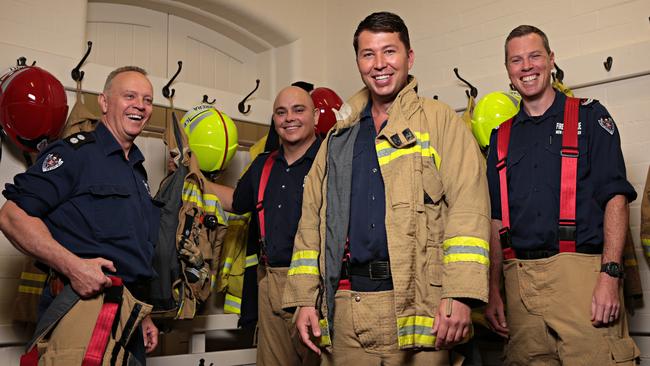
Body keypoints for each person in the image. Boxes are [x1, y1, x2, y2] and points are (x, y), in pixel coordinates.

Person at [282, 11, 490, 365]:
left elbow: (469, 210)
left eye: (389, 52)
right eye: (368, 54)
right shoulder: (337, 138)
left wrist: (459, 295)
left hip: (423, 306)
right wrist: (304, 300)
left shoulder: (440, 122)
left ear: (409, 57)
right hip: (346, 309)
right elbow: (310, 226)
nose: (380, 64)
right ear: (359, 62)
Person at [485, 25, 640, 365]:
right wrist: (494, 290)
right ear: (508, 71)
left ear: (551, 60)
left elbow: (616, 197)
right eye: (516, 60)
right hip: (519, 283)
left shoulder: (590, 115)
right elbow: (495, 218)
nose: (526, 66)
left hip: (582, 279)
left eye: (535, 56)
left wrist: (610, 275)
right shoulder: (501, 137)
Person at [0, 66, 160, 363]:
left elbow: (131, 253)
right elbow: (12, 215)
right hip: (83, 308)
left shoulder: (137, 170)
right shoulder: (75, 154)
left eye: (147, 100)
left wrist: (142, 315)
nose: (140, 105)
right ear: (104, 102)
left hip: (129, 314)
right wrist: (72, 266)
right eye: (129, 96)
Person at [209, 86, 321, 366]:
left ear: (316, 116)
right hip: (270, 281)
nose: (289, 118)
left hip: (316, 284)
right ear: (274, 120)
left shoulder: (331, 161)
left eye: (299, 110)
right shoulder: (263, 165)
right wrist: (194, 178)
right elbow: (236, 201)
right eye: (281, 112)